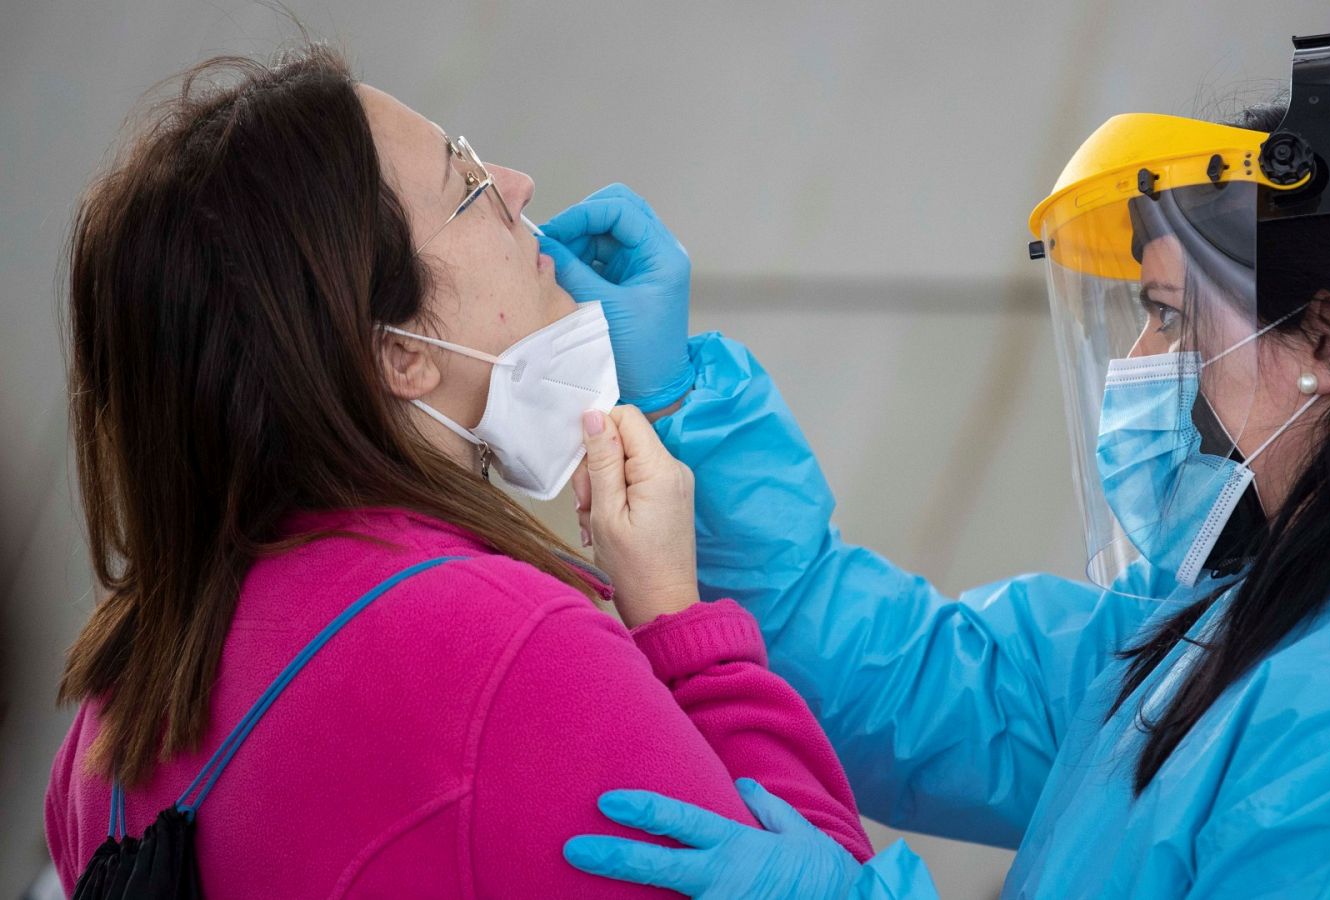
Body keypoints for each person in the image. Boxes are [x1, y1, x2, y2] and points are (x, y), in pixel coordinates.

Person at [547, 33, 1330, 898]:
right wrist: (683, 396)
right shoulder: (1239, 626)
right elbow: (910, 682)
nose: (1139, 368)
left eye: (1165, 316)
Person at [45, 44, 873, 897]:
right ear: (401, 354)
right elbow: (825, 874)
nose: (517, 185)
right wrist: (681, 630)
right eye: (470, 184)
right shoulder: (512, 646)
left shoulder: (105, 726)